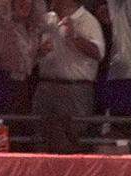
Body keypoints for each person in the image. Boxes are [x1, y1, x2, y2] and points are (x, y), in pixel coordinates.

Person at [33, 0, 104, 152]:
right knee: (41, 139)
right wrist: (39, 51)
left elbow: (98, 53)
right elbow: (30, 51)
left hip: (74, 89)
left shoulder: (88, 21)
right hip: (45, 87)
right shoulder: (46, 20)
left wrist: (74, 37)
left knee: (72, 139)